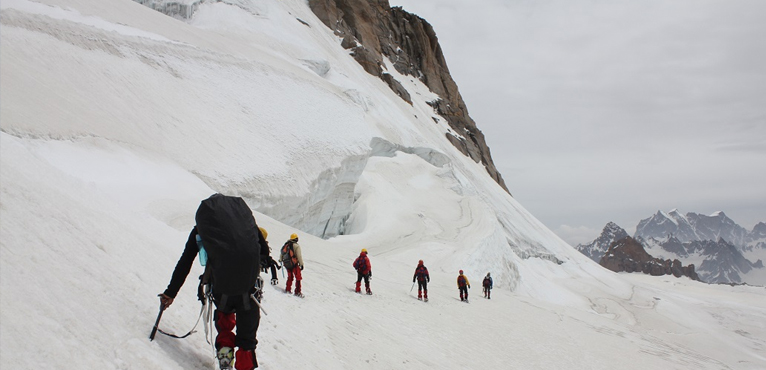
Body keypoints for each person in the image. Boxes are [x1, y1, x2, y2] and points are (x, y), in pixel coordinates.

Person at [159, 194, 269, 370]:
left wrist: (170, 293)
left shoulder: (202, 230)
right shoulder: (245, 224)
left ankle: (225, 356)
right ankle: (245, 364)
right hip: (249, 289)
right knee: (247, 339)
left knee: (224, 321)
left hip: (222, 288)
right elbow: (263, 250)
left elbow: (185, 262)